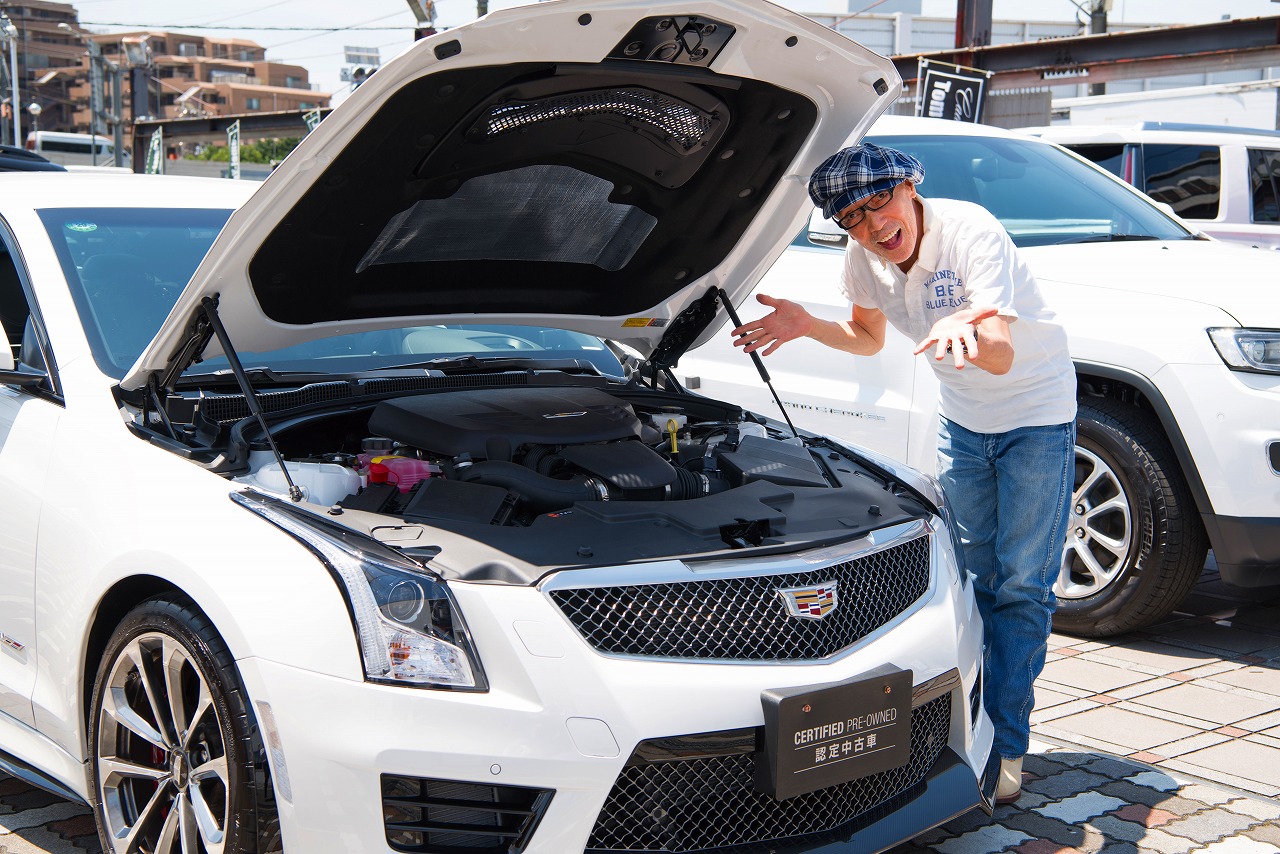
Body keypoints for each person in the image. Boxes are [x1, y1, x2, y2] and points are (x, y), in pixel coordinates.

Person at [731, 142, 1076, 806]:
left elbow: (1001, 357)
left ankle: (1008, 745)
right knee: (973, 581)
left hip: (1036, 415)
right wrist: (807, 326)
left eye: (880, 203)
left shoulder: (971, 230)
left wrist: (959, 323)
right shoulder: (863, 260)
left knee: (1023, 588)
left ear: (910, 189)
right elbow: (867, 338)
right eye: (852, 218)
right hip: (964, 426)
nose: (872, 226)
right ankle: (967, 725)